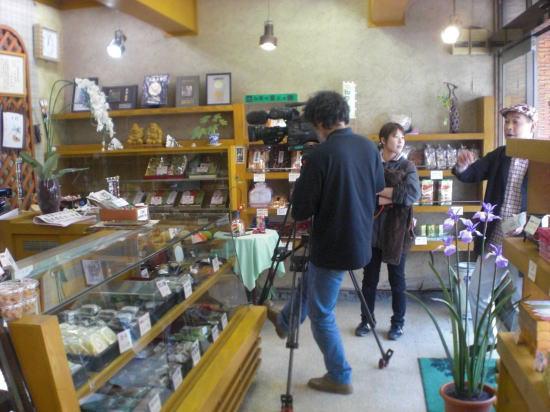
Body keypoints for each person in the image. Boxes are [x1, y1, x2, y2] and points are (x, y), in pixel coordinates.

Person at [266, 91, 384, 395]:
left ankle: (339, 376)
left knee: (321, 313)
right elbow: (378, 187)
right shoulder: (369, 147)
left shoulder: (319, 155)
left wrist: (304, 180)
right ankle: (286, 321)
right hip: (360, 242)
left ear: (319, 121)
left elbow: (301, 210)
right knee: (313, 282)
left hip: (332, 245)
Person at [453, 103, 537, 334]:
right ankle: (485, 343)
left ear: (532, 126)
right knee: (476, 292)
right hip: (495, 240)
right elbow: (472, 173)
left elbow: (544, 206)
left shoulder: (541, 159)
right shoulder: (501, 154)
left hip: (526, 244)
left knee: (523, 302)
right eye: (506, 122)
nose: (509, 127)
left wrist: (530, 226)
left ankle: (519, 348)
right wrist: (462, 166)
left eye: (516, 122)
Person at [355, 123, 420, 340]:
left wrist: (381, 193)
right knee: (369, 280)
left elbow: (412, 194)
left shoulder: (408, 165)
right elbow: (362, 192)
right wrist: (392, 195)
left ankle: (398, 324)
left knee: (397, 281)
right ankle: (366, 320)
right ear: (382, 140)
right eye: (395, 137)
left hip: (397, 231)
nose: (400, 141)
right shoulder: (370, 163)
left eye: (402, 137)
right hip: (371, 231)